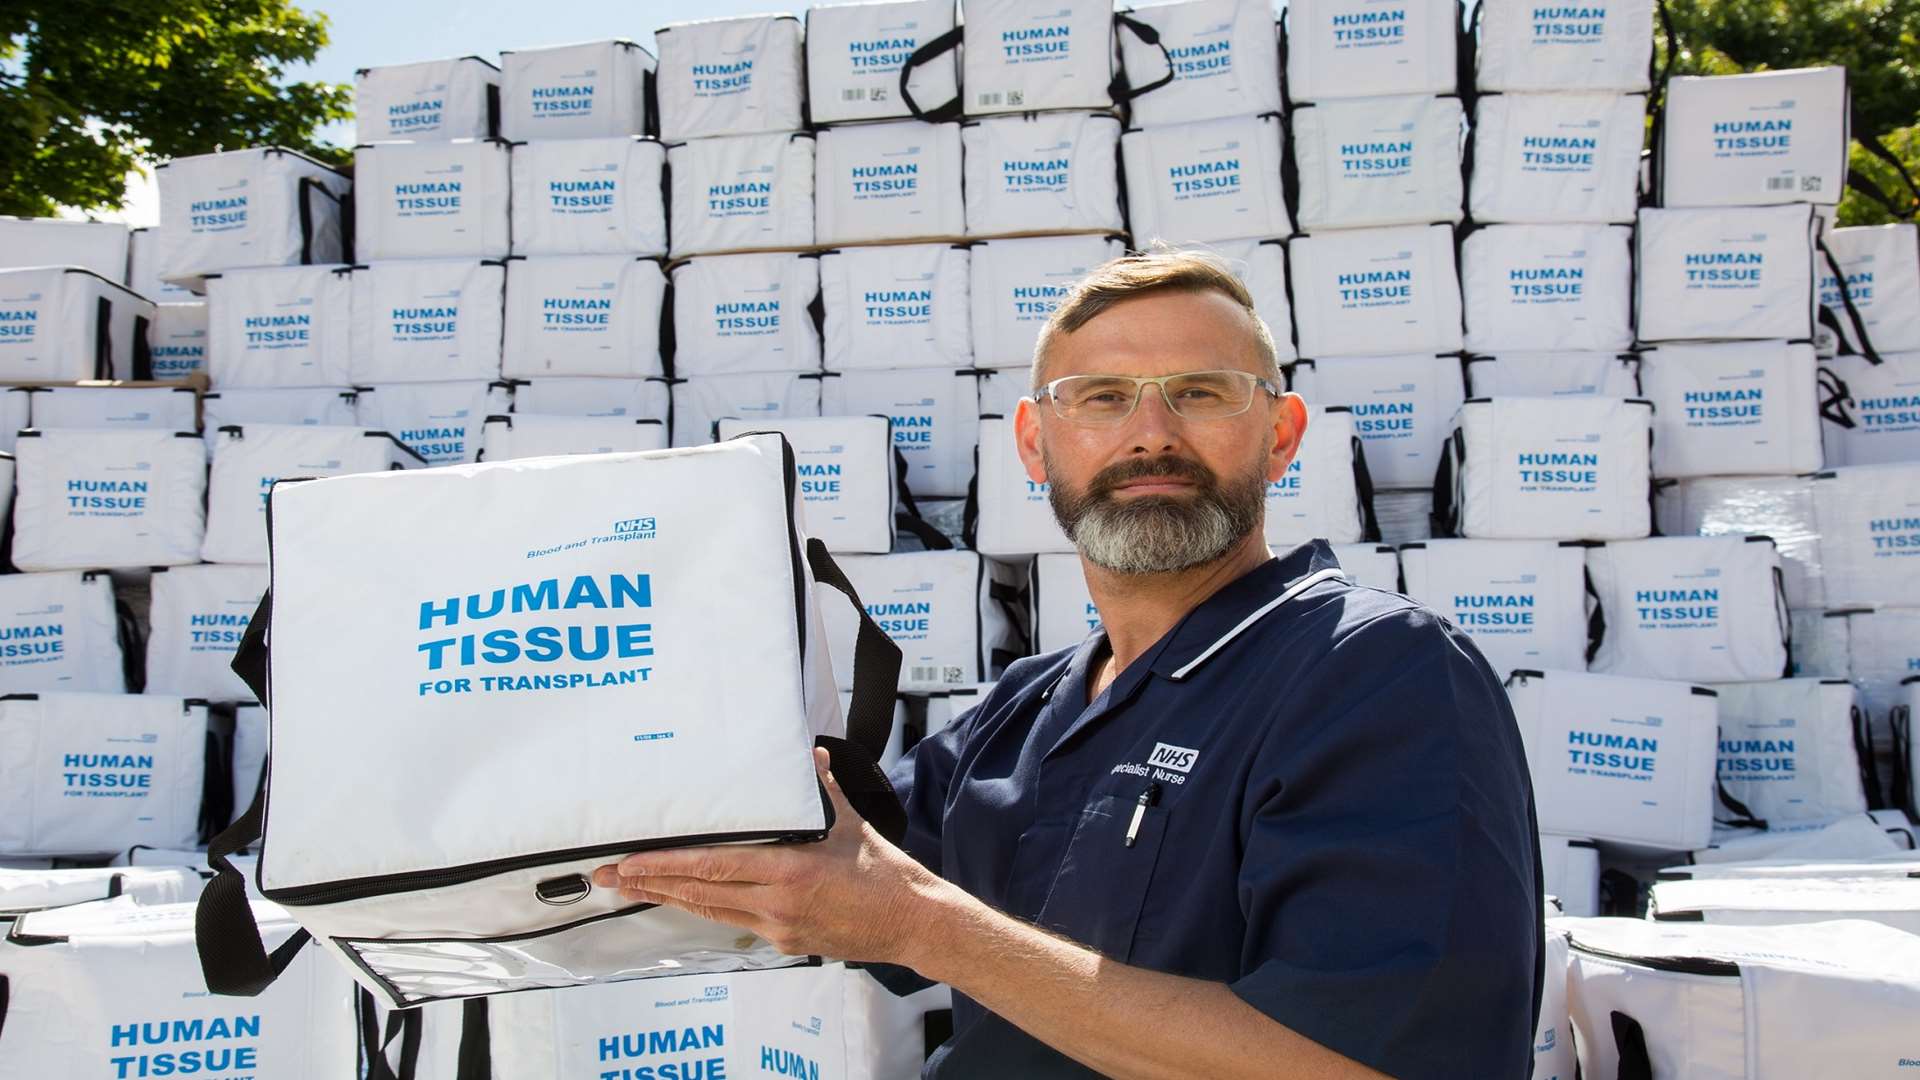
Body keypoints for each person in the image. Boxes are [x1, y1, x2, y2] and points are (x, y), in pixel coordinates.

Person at [594, 250, 1543, 1079]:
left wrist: (920, 923)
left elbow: (1360, 1067)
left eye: (1202, 392)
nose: (1151, 433)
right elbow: (815, 868)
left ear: (1283, 436)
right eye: (1101, 398)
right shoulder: (1024, 708)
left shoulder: (1373, 673)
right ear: (1034, 445)